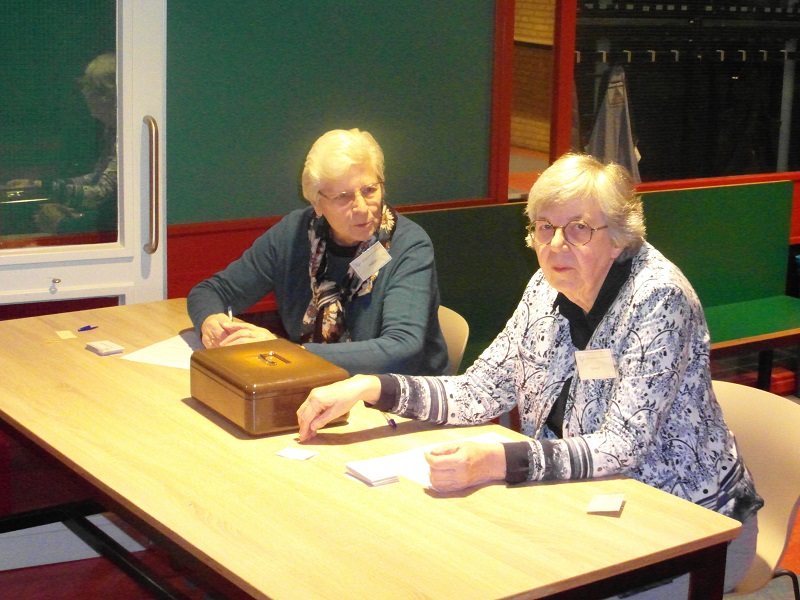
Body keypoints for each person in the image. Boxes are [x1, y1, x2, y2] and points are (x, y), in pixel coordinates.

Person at [296, 153, 763, 598]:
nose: (556, 245)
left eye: (578, 229)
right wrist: (371, 387)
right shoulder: (546, 285)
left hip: (688, 528)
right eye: (544, 228)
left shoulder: (658, 298)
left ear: (619, 236)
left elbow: (622, 445)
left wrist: (497, 461)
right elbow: (480, 390)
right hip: (581, 507)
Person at [187, 128, 448, 376]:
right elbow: (211, 291)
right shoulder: (295, 233)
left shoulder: (408, 245)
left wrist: (289, 353)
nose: (361, 208)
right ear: (317, 203)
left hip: (398, 394)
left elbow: (401, 349)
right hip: (312, 381)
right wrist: (212, 322)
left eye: (370, 190)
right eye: (343, 197)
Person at [8, 53, 118, 234]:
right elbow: (97, 176)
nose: (83, 92)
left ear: (107, 95)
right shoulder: (112, 128)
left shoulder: (123, 130)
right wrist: (37, 184)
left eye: (88, 86)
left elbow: (99, 193)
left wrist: (48, 193)